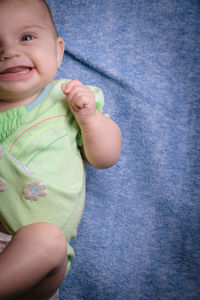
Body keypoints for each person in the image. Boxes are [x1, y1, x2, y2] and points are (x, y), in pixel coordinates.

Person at [0, 0, 122, 299]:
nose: (8, 52)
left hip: (38, 264)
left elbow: (105, 157)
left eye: (26, 37)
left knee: (47, 239)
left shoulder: (68, 99)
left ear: (58, 50)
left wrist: (90, 118)